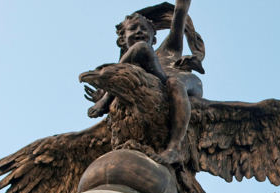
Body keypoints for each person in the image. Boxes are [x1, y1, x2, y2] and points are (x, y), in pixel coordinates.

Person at [85, 0, 202, 164]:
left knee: (172, 81)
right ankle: (108, 98)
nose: (139, 31)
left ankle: (174, 148)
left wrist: (106, 96)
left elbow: (180, 13)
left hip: (183, 83)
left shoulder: (168, 48)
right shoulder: (130, 63)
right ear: (121, 40)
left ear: (154, 39)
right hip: (151, 90)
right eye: (133, 29)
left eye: (144, 29)